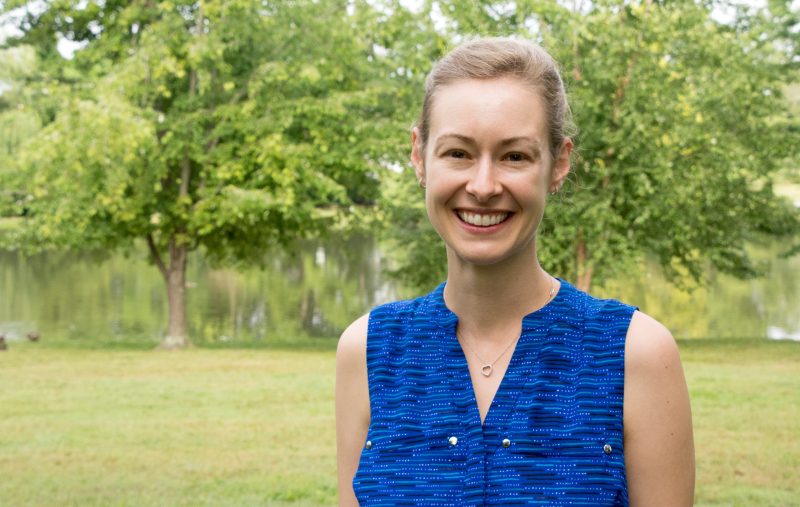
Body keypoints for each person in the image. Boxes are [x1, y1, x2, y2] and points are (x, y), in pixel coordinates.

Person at [336, 37, 694, 506]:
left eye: (515, 156)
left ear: (559, 163)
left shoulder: (636, 354)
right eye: (458, 153)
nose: (483, 186)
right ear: (419, 156)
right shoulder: (367, 351)